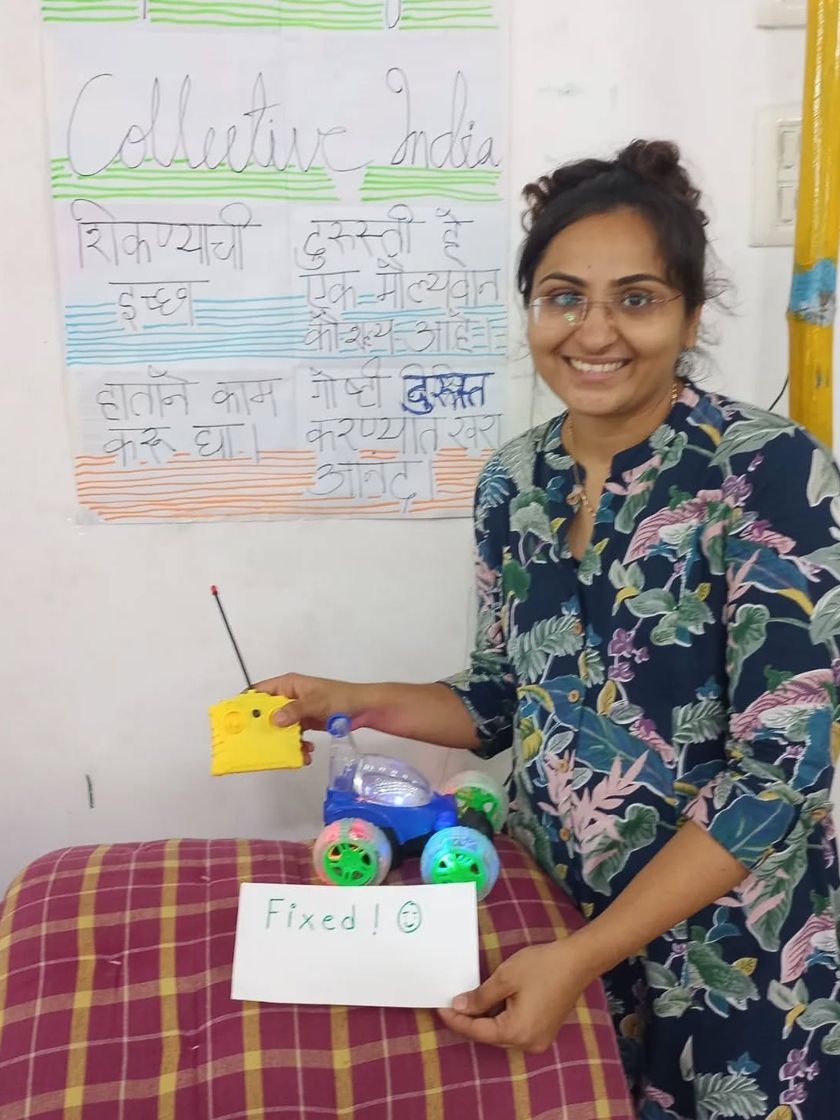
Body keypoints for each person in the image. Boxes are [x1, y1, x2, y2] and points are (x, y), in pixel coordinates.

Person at [257, 140, 840, 1119]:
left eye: (636, 298)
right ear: (531, 309)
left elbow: (780, 775)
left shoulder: (769, 472)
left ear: (691, 314)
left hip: (741, 953)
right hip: (557, 912)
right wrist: (348, 700)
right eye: (563, 297)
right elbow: (505, 695)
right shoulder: (513, 481)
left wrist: (582, 956)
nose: (594, 331)